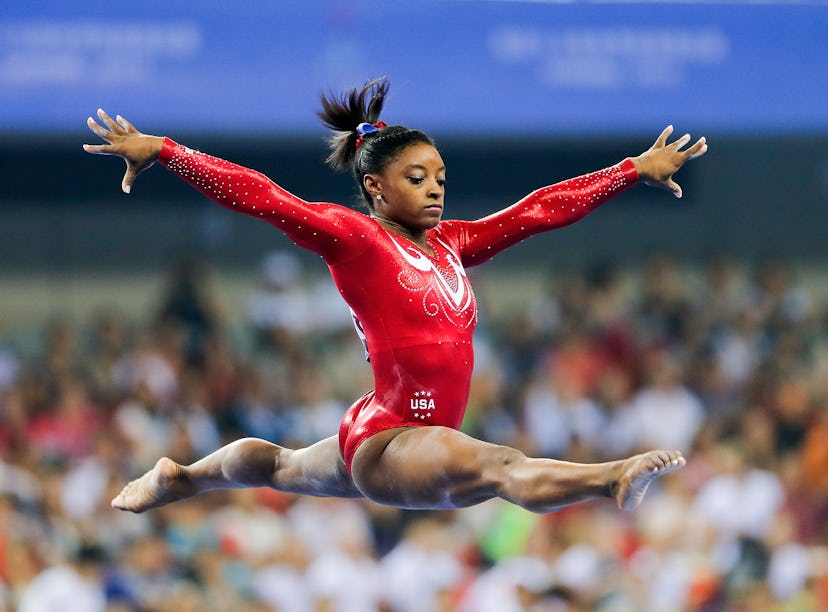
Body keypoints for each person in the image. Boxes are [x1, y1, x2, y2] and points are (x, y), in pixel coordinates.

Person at [84, 77, 707, 515]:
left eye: (439, 177)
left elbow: (539, 211)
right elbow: (263, 195)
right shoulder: (355, 238)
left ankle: (183, 477)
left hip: (385, 425)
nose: (435, 190)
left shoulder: (450, 244)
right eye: (417, 178)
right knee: (502, 467)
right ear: (375, 187)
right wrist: (169, 152)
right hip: (394, 438)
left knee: (280, 467)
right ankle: (612, 478)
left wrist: (628, 170)